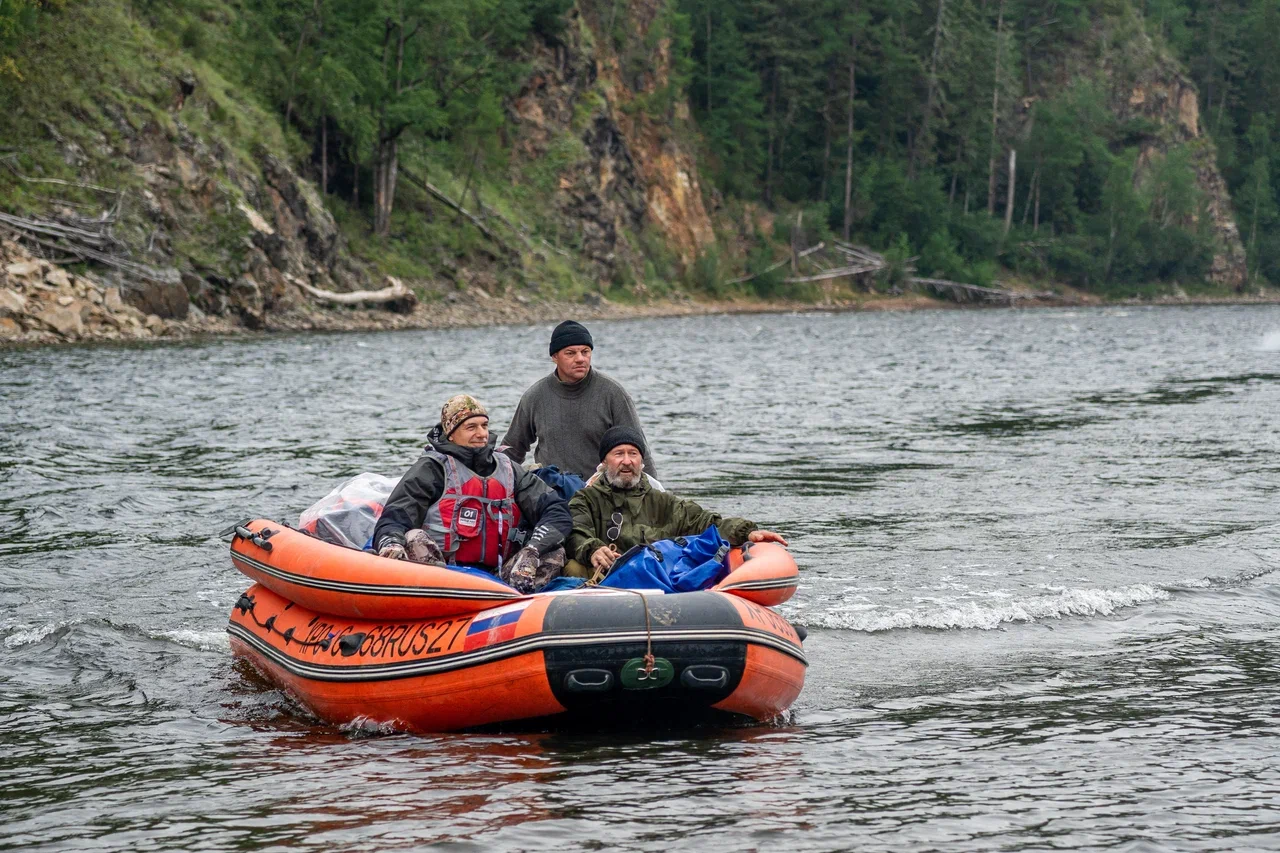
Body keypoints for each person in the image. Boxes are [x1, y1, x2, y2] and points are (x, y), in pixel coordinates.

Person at [373, 394, 573, 593]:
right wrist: (391, 543)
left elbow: (556, 509)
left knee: (553, 551)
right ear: (450, 433)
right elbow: (394, 518)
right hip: (444, 577)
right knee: (412, 537)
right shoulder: (431, 469)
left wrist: (533, 549)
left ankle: (519, 605)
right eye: (471, 427)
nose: (482, 434)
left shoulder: (509, 469)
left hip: (499, 577)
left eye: (484, 426)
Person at [567, 426, 788, 579]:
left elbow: (706, 522)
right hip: (605, 580)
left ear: (641, 461)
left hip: (656, 581)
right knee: (573, 568)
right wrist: (593, 549)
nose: (627, 461)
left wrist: (747, 532)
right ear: (605, 461)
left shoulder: (664, 502)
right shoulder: (586, 499)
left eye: (633, 453)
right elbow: (576, 532)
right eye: (619, 454)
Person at [501, 320, 659, 480]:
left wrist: (655, 494)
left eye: (585, 352)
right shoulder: (534, 396)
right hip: (552, 494)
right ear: (555, 357)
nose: (580, 359)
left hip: (602, 493)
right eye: (570, 353)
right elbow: (512, 450)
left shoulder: (613, 393)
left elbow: (639, 450)